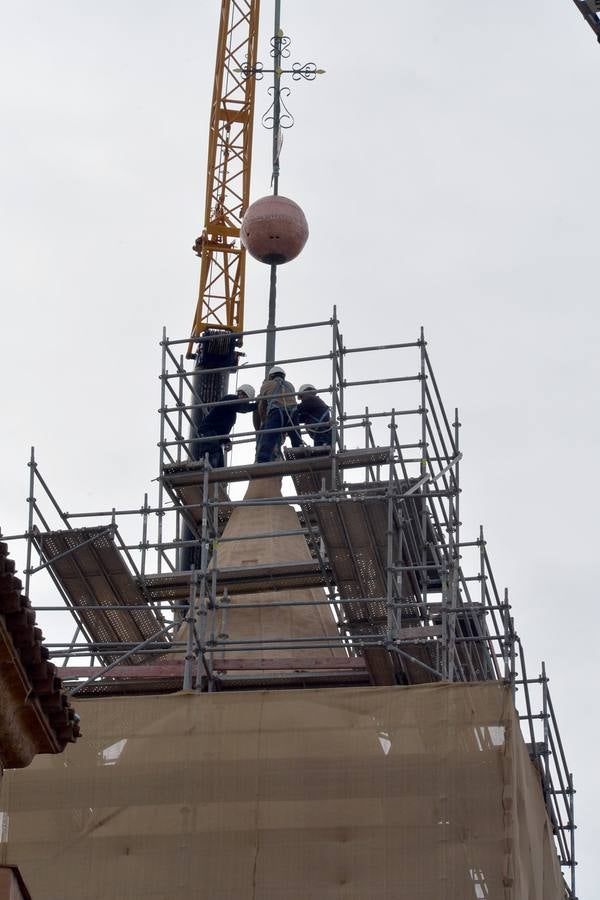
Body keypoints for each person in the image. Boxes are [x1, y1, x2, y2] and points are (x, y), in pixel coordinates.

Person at [196, 384, 255, 468]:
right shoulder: (230, 399)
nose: (242, 397)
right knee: (211, 462)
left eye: (245, 397)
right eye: (241, 394)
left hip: (216, 437)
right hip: (208, 433)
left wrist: (227, 441)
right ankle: (206, 475)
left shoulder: (231, 414)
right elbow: (243, 408)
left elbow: (222, 429)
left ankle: (214, 478)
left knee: (220, 467)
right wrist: (258, 404)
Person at [255, 366, 298, 463]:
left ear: (271, 376)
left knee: (269, 436)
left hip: (276, 412)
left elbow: (262, 404)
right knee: (295, 437)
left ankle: (262, 459)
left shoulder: (267, 385)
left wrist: (264, 420)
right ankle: (300, 455)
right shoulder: (290, 385)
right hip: (293, 413)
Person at [290, 383, 332, 448]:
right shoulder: (312, 406)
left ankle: (297, 445)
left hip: (323, 435)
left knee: (321, 454)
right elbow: (300, 418)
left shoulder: (311, 399)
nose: (302, 400)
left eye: (301, 397)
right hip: (322, 435)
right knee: (320, 455)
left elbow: (296, 409)